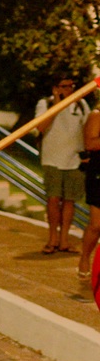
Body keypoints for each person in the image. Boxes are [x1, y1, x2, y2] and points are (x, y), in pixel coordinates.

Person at [34, 74, 88, 255]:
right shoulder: (46, 104)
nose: (69, 90)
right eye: (64, 86)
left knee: (69, 200)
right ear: (56, 88)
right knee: (53, 199)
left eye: (71, 86)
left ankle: (64, 239)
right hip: (52, 159)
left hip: (74, 160)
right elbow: (40, 127)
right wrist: (57, 104)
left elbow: (89, 127)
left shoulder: (81, 105)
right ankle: (52, 238)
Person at [79, 103, 100, 278]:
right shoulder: (97, 114)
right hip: (99, 173)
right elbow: (90, 143)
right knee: (96, 225)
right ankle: (84, 257)